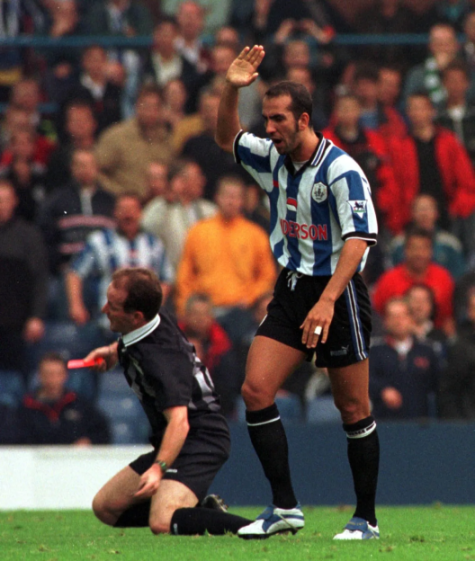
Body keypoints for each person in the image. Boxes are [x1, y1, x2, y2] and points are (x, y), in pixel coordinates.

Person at [215, 45, 380, 540]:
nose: (270, 128)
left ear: (304, 119)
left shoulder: (341, 170)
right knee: (255, 390)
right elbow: (226, 137)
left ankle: (365, 519)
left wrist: (329, 300)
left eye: (278, 119)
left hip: (338, 291)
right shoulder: (272, 159)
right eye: (266, 119)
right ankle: (285, 507)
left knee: (353, 408)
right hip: (290, 288)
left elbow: (360, 238)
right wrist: (231, 88)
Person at [83, 267, 252, 535]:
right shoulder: (155, 317)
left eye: (112, 306)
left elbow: (180, 422)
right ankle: (199, 515)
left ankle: (256, 528)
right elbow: (136, 338)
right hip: (175, 439)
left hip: (201, 439)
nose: (104, 309)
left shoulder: (160, 361)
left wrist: (158, 469)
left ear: (136, 316)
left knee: (162, 522)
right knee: (106, 507)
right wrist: (114, 350)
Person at [175, 175, 276, 343]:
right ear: (217, 198)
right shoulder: (198, 231)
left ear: (242, 201)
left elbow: (267, 276)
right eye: (227, 196)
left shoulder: (255, 234)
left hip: (241, 309)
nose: (231, 201)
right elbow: (185, 273)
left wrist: (250, 297)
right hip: (205, 310)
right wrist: (186, 305)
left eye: (236, 197)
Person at [65, 193, 174, 327]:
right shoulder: (98, 241)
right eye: (123, 210)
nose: (128, 215)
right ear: (115, 213)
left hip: (144, 324)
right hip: (108, 324)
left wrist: (152, 307)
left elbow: (166, 279)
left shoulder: (154, 244)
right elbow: (75, 273)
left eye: (132, 210)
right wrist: (76, 306)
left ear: (141, 213)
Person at [0, 179, 48, 380]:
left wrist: (36, 316)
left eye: (4, 200)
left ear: (14, 202)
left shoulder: (29, 236)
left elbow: (39, 279)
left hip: (16, 324)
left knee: (15, 380)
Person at [373, 228, 455, 334]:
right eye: (414, 248)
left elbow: (448, 319)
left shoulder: (443, 278)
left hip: (434, 337)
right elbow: (379, 316)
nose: (419, 254)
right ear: (405, 250)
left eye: (424, 248)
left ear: (431, 251)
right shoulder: (388, 280)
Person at [17, 352, 110, 445]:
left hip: (72, 458)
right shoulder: (26, 407)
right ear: (39, 376)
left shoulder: (79, 404)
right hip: (36, 457)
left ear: (65, 376)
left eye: (58, 374)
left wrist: (88, 441)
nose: (53, 379)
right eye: (48, 374)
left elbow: (102, 432)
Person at [369, 297, 440, 420]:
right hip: (384, 420)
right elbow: (366, 379)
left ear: (411, 319)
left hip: (420, 422)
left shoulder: (427, 351)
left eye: (402, 316)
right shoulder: (375, 351)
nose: (398, 321)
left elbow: (437, 384)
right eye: (393, 316)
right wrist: (382, 390)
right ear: (385, 321)